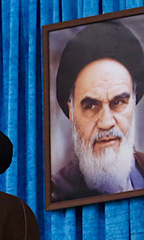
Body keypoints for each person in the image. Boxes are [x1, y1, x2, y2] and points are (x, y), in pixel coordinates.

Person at [51, 22, 144, 202]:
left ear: (133, 103)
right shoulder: (56, 193)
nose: (106, 122)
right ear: (72, 112)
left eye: (118, 102)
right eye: (91, 106)